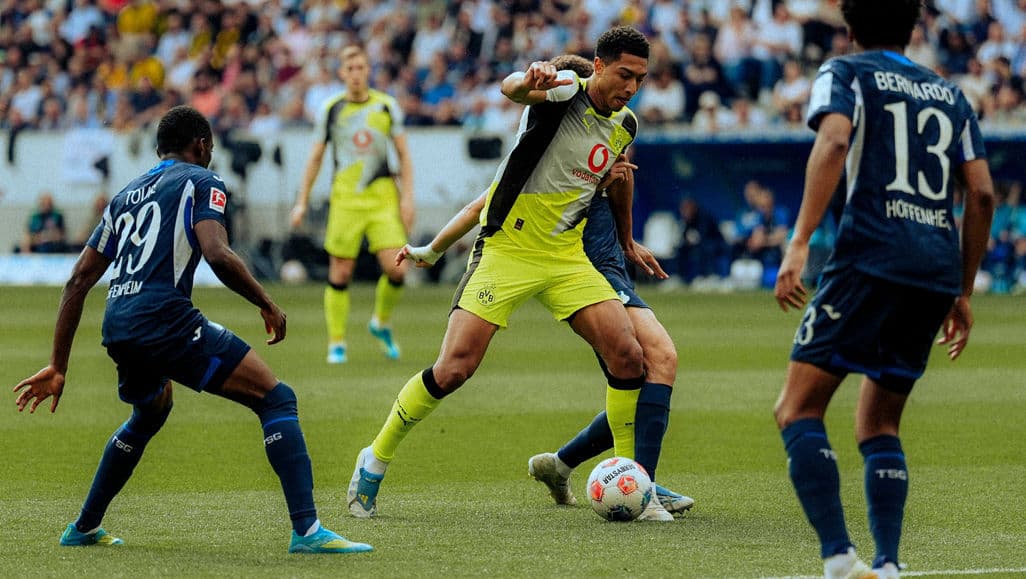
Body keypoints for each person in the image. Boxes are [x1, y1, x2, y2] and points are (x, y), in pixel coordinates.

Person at [12, 106, 372, 555]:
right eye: (211, 147)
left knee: (150, 412)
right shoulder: (203, 181)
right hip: (164, 318)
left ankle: (84, 527)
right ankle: (308, 531)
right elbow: (217, 253)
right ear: (201, 146)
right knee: (276, 397)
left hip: (119, 322)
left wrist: (57, 365)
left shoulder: (123, 196)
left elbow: (78, 280)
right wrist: (267, 303)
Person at [345, 26, 654, 520]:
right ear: (598, 66)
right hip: (507, 250)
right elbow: (512, 89)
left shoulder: (626, 124)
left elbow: (616, 180)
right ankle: (375, 458)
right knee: (454, 369)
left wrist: (625, 240)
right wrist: (531, 75)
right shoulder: (563, 94)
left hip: (565, 256)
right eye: (624, 75)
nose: (631, 87)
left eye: (640, 78)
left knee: (628, 356)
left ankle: (634, 479)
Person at [772, 1, 995, 578]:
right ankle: (889, 565)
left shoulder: (844, 72)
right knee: (879, 424)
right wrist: (962, 290)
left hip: (870, 256)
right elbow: (984, 194)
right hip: (935, 269)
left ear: (849, 30)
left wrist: (799, 241)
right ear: (913, 28)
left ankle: (840, 560)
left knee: (797, 409)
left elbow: (835, 141)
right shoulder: (951, 94)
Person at [290, 44, 415, 364]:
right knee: (340, 272)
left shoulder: (387, 106)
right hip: (346, 198)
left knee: (397, 269)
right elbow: (316, 156)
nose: (356, 74)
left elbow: (403, 155)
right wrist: (301, 201)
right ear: (342, 73)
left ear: (368, 71)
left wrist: (408, 198)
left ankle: (381, 322)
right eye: (351, 69)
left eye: (361, 68)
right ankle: (337, 342)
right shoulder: (331, 109)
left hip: (382, 198)